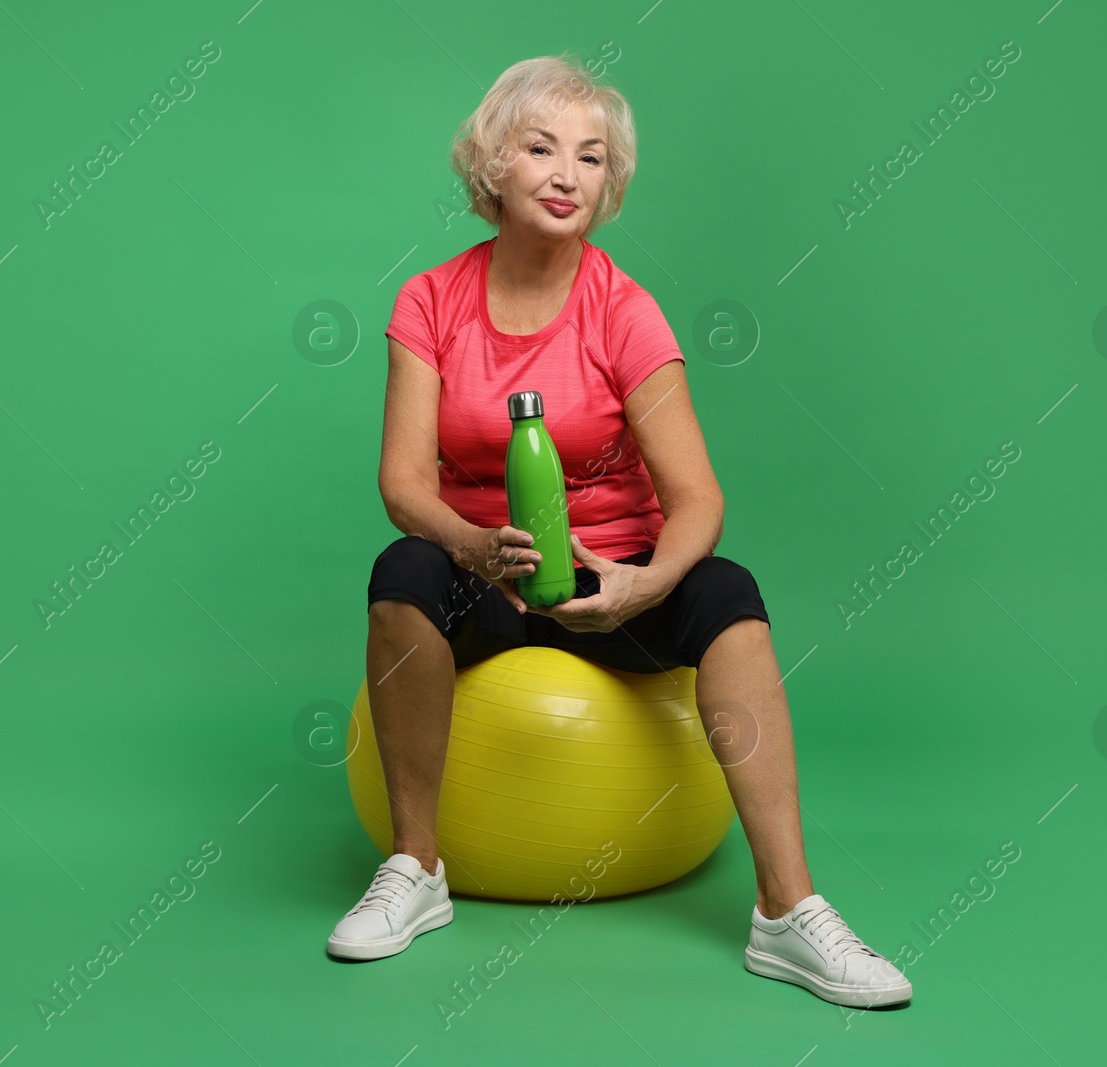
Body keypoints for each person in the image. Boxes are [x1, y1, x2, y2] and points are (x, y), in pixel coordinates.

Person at [326, 54, 911, 1009]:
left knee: (726, 589)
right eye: (541, 147)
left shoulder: (624, 309)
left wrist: (641, 585)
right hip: (487, 570)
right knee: (402, 570)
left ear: (610, 183)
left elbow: (699, 500)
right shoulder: (429, 301)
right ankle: (415, 869)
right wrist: (473, 547)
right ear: (491, 169)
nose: (566, 174)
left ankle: (788, 911)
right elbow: (401, 481)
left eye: (591, 157)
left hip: (610, 574)